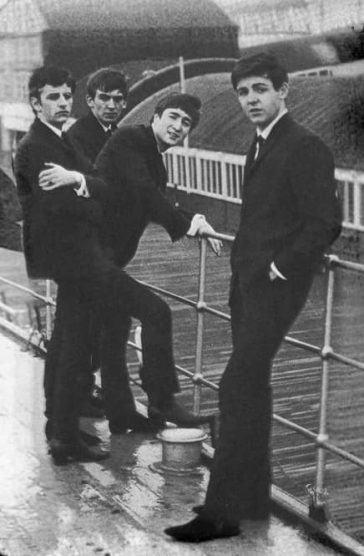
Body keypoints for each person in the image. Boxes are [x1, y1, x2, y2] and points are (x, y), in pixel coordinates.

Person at [164, 52, 342, 542]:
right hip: (248, 284)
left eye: (259, 89)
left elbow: (325, 222)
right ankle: (253, 500)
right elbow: (260, 218)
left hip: (276, 287)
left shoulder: (304, 146)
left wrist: (279, 267)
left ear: (283, 90)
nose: (250, 101)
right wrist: (248, 270)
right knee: (252, 388)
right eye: (243, 93)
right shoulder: (258, 144)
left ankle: (220, 514)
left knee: (235, 387)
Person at [37, 83, 221, 437]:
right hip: (87, 257)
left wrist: (192, 216)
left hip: (100, 259)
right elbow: (142, 191)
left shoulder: (152, 158)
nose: (178, 126)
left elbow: (142, 198)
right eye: (173, 117)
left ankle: (122, 415)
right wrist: (187, 224)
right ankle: (162, 401)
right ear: (155, 118)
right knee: (156, 312)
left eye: (186, 123)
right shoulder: (129, 140)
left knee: (114, 328)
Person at [14, 65, 111, 464]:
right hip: (68, 256)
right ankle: (65, 439)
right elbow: (62, 205)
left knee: (65, 345)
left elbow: (97, 180)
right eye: (53, 97)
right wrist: (91, 196)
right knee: (73, 345)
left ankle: (60, 428)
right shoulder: (37, 147)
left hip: (72, 254)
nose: (63, 102)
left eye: (67, 95)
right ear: (36, 103)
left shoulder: (62, 140)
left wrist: (82, 184)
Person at [67, 68, 128, 418]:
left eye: (118, 99)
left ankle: (88, 388)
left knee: (100, 317)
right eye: (104, 98)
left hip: (109, 244)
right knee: (85, 318)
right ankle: (79, 391)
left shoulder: (118, 135)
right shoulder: (77, 136)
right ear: (90, 101)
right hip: (86, 244)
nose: (111, 105)